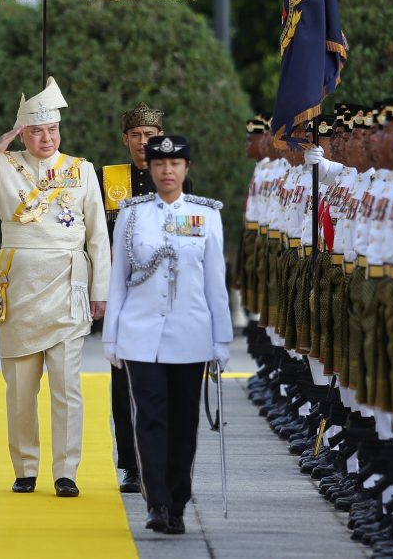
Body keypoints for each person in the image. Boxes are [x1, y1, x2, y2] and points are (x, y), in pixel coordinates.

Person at [0, 78, 110, 497]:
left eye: (52, 130)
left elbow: (97, 236)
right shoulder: (3, 167)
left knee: (67, 388)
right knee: (21, 388)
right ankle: (24, 466)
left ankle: (66, 471)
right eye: (37, 131)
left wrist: (101, 292)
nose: (46, 138)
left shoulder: (82, 170)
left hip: (68, 286)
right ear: (23, 132)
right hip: (19, 288)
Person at [102, 135, 233, 535]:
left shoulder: (206, 216)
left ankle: (178, 498)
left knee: (183, 421)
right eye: (159, 164)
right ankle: (157, 501)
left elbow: (216, 284)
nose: (167, 171)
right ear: (151, 169)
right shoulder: (132, 214)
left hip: (190, 334)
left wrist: (221, 339)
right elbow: (119, 281)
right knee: (150, 419)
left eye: (175, 164)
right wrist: (111, 336)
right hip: (140, 333)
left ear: (186, 168)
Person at [96, 102, 192, 494]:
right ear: (125, 140)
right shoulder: (108, 179)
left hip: (165, 294)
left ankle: (167, 459)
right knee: (124, 384)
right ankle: (130, 464)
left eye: (149, 136)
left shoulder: (171, 178)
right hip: (126, 294)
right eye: (135, 136)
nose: (142, 142)